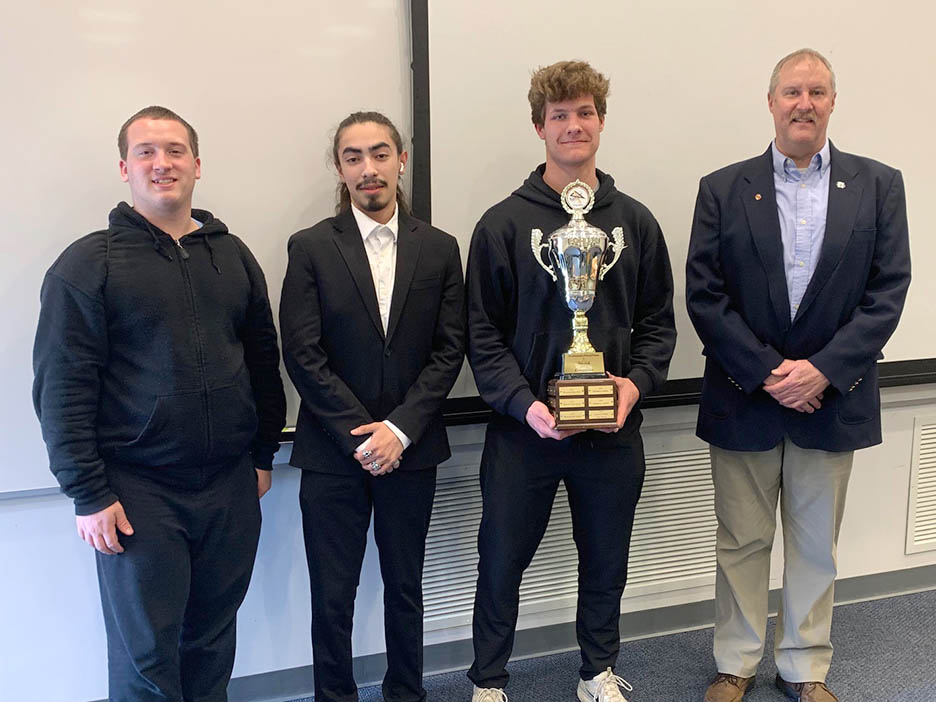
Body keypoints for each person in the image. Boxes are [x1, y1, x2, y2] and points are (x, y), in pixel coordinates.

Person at [32, 105, 287, 701]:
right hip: (136, 492)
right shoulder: (87, 264)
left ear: (197, 164)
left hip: (228, 485)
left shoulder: (234, 255)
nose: (162, 163)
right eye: (146, 151)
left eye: (174, 150)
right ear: (125, 167)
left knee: (211, 644)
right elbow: (61, 386)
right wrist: (88, 491)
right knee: (146, 660)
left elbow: (261, 360)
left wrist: (262, 453)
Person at [686, 49, 911, 702]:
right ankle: (736, 662)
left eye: (816, 91)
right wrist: (765, 372)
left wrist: (823, 371)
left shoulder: (878, 185)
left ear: (833, 101)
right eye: (792, 91)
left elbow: (887, 291)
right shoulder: (724, 188)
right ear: (772, 102)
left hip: (830, 400)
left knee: (815, 545)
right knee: (742, 542)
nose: (803, 103)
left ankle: (805, 668)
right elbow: (705, 293)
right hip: (742, 396)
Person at [465, 60, 676, 702]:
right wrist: (526, 406)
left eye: (585, 112)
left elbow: (659, 327)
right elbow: (483, 336)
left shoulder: (633, 223)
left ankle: (596, 671)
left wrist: (632, 389)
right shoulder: (502, 225)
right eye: (560, 115)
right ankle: (489, 681)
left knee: (606, 559)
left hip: (612, 432)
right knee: (502, 561)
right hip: (524, 432)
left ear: (602, 122)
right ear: (540, 127)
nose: (574, 125)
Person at [279, 111, 465, 702]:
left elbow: (449, 348)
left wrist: (400, 430)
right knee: (332, 594)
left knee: (405, 587)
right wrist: (364, 434)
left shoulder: (438, 249)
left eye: (380, 154)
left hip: (411, 452)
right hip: (334, 455)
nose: (368, 168)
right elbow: (302, 352)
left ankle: (406, 692)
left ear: (400, 160)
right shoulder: (310, 247)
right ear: (340, 169)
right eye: (354, 157)